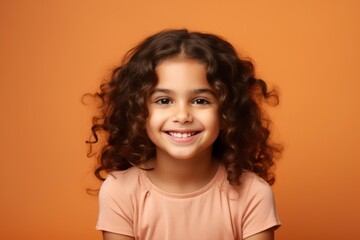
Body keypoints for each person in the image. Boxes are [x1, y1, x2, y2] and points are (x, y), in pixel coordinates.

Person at [87, 29, 282, 240]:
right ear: (138, 112)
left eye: (200, 101)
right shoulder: (119, 191)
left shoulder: (253, 193)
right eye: (164, 100)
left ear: (227, 113)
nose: (182, 116)